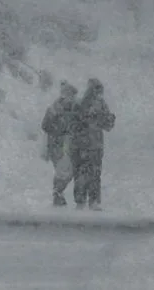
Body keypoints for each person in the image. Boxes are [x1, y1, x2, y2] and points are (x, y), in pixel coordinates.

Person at [70, 78, 115, 211]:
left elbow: (108, 125)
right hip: (86, 145)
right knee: (87, 173)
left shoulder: (99, 104)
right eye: (96, 89)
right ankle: (84, 200)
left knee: (90, 173)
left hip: (91, 145)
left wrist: (107, 118)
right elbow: (74, 124)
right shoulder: (81, 104)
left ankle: (88, 200)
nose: (97, 93)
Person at [41, 81, 79, 207]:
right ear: (64, 95)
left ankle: (58, 193)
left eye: (73, 95)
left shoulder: (75, 108)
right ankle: (57, 193)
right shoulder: (54, 108)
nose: (72, 97)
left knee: (70, 170)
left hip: (70, 144)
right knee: (62, 170)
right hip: (57, 143)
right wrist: (60, 128)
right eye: (70, 94)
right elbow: (45, 125)